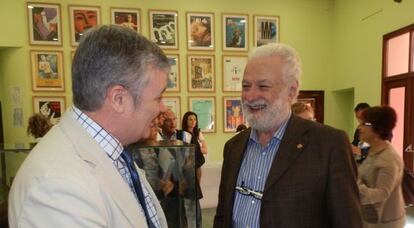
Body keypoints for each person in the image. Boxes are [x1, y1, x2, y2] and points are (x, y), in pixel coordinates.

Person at [9, 25, 170, 227]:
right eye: (159, 97)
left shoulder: (112, 152)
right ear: (119, 99)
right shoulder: (56, 186)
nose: (163, 107)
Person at [213, 43, 362, 227]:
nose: (250, 97)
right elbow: (222, 216)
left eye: (263, 86)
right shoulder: (233, 147)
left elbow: (348, 222)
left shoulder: (329, 145)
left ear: (291, 91)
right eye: (246, 86)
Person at [357, 106, 405, 227]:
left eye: (364, 124)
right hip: (371, 217)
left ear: (378, 129)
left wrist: (354, 188)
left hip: (386, 222)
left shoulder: (389, 158)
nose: (359, 128)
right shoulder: (374, 151)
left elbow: (382, 193)